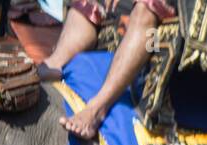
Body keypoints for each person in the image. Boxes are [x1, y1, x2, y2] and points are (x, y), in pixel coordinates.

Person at [32, 0, 174, 138]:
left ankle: (97, 109)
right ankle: (54, 65)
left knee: (146, 8)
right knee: (85, 5)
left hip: (154, 37)